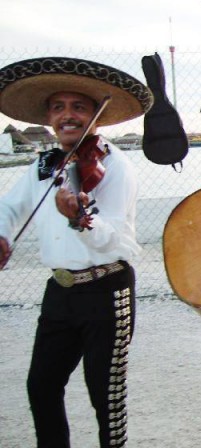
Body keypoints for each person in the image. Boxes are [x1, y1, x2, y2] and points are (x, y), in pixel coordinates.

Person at [0, 57, 153, 447]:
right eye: (58, 107)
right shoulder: (43, 163)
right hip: (60, 291)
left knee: (106, 397)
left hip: (106, 291)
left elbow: (118, 242)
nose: (67, 116)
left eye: (78, 107)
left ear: (95, 117)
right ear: (49, 117)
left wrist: (81, 220)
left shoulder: (115, 167)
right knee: (41, 386)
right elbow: (11, 207)